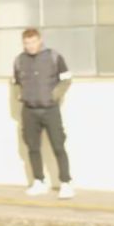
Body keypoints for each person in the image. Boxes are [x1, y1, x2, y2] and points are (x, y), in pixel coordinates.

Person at [14, 28, 74, 199]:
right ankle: (39, 181)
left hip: (50, 110)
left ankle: (66, 183)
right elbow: (16, 81)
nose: (30, 46)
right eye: (27, 43)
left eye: (33, 42)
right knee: (32, 148)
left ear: (40, 40)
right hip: (29, 110)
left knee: (58, 146)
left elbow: (66, 80)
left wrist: (54, 95)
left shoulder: (54, 57)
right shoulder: (19, 60)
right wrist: (21, 94)